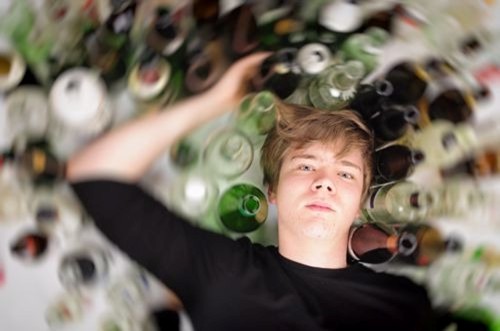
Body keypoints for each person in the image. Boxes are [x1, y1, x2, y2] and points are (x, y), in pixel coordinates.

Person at [67, 53, 436, 330]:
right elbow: (93, 174)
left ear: (360, 204)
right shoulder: (225, 274)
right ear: (271, 191)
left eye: (345, 173)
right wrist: (216, 101)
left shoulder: (406, 300)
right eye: (306, 165)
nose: (324, 181)